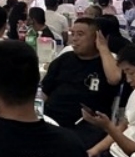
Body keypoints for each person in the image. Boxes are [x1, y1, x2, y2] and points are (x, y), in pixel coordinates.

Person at [42, 18, 122, 148]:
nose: (74, 39)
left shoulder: (107, 62)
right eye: (72, 34)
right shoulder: (64, 59)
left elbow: (115, 79)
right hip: (51, 118)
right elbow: (44, 93)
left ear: (96, 38)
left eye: (80, 34)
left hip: (86, 124)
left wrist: (103, 47)